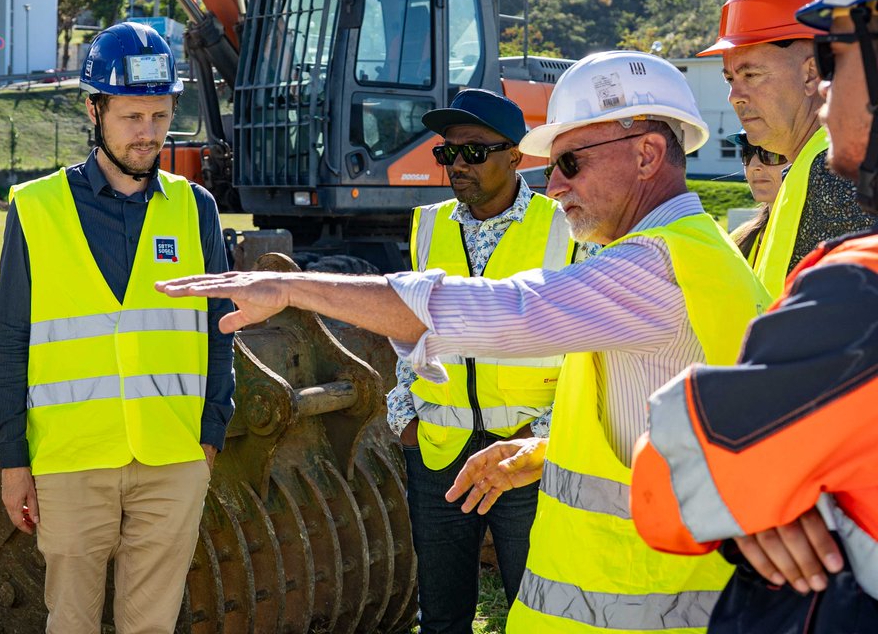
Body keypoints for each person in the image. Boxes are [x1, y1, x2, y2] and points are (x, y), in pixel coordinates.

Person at [159, 51, 771, 633]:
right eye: (551, 168)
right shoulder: (693, 253)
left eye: (570, 163)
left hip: (645, 604)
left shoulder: (658, 265)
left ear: (647, 154)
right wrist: (547, 450)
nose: (555, 186)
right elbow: (653, 422)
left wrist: (292, 289)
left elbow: (506, 311)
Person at [631, 0, 878, 633]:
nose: (734, 96)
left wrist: (772, 481)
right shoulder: (794, 182)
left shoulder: (851, 258)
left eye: (833, 58)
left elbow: (671, 476)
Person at [0, 22, 235, 634]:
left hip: (174, 458)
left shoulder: (195, 208)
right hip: (70, 460)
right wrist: (14, 461)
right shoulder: (36, 208)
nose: (148, 133)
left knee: (151, 626)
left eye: (160, 115)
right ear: (94, 110)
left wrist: (210, 435)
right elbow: (9, 340)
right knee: (70, 622)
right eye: (132, 116)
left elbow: (220, 329)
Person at [388, 89, 582, 626]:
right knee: (442, 616)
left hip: (525, 453)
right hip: (439, 452)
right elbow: (411, 329)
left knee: (536, 612)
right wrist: (405, 416)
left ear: (515, 156)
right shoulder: (428, 225)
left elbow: (588, 344)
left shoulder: (565, 226)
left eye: (473, 152)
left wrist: (542, 436)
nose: (457, 165)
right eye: (446, 152)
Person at [697, 0, 877, 295]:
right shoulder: (809, 168)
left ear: (811, 74)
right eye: (730, 79)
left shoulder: (836, 172)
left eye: (751, 74)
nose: (735, 97)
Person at [726, 129, 786, 262]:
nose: (753, 166)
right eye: (747, 153)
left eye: (770, 153)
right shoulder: (738, 239)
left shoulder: (816, 239)